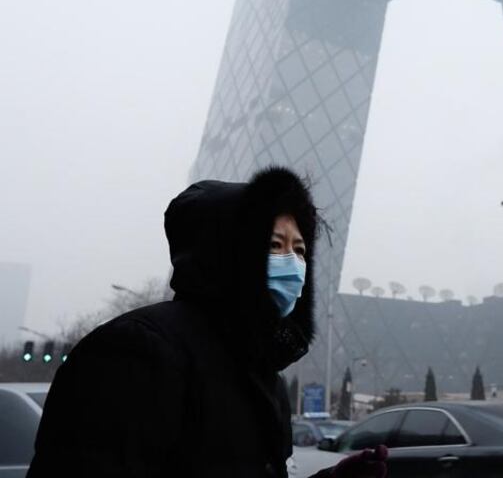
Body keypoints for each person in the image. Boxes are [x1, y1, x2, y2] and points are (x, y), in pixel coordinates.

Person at [29, 167, 386, 478]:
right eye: (274, 245)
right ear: (229, 251)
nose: (292, 263)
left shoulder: (261, 373)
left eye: (300, 250)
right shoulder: (137, 351)